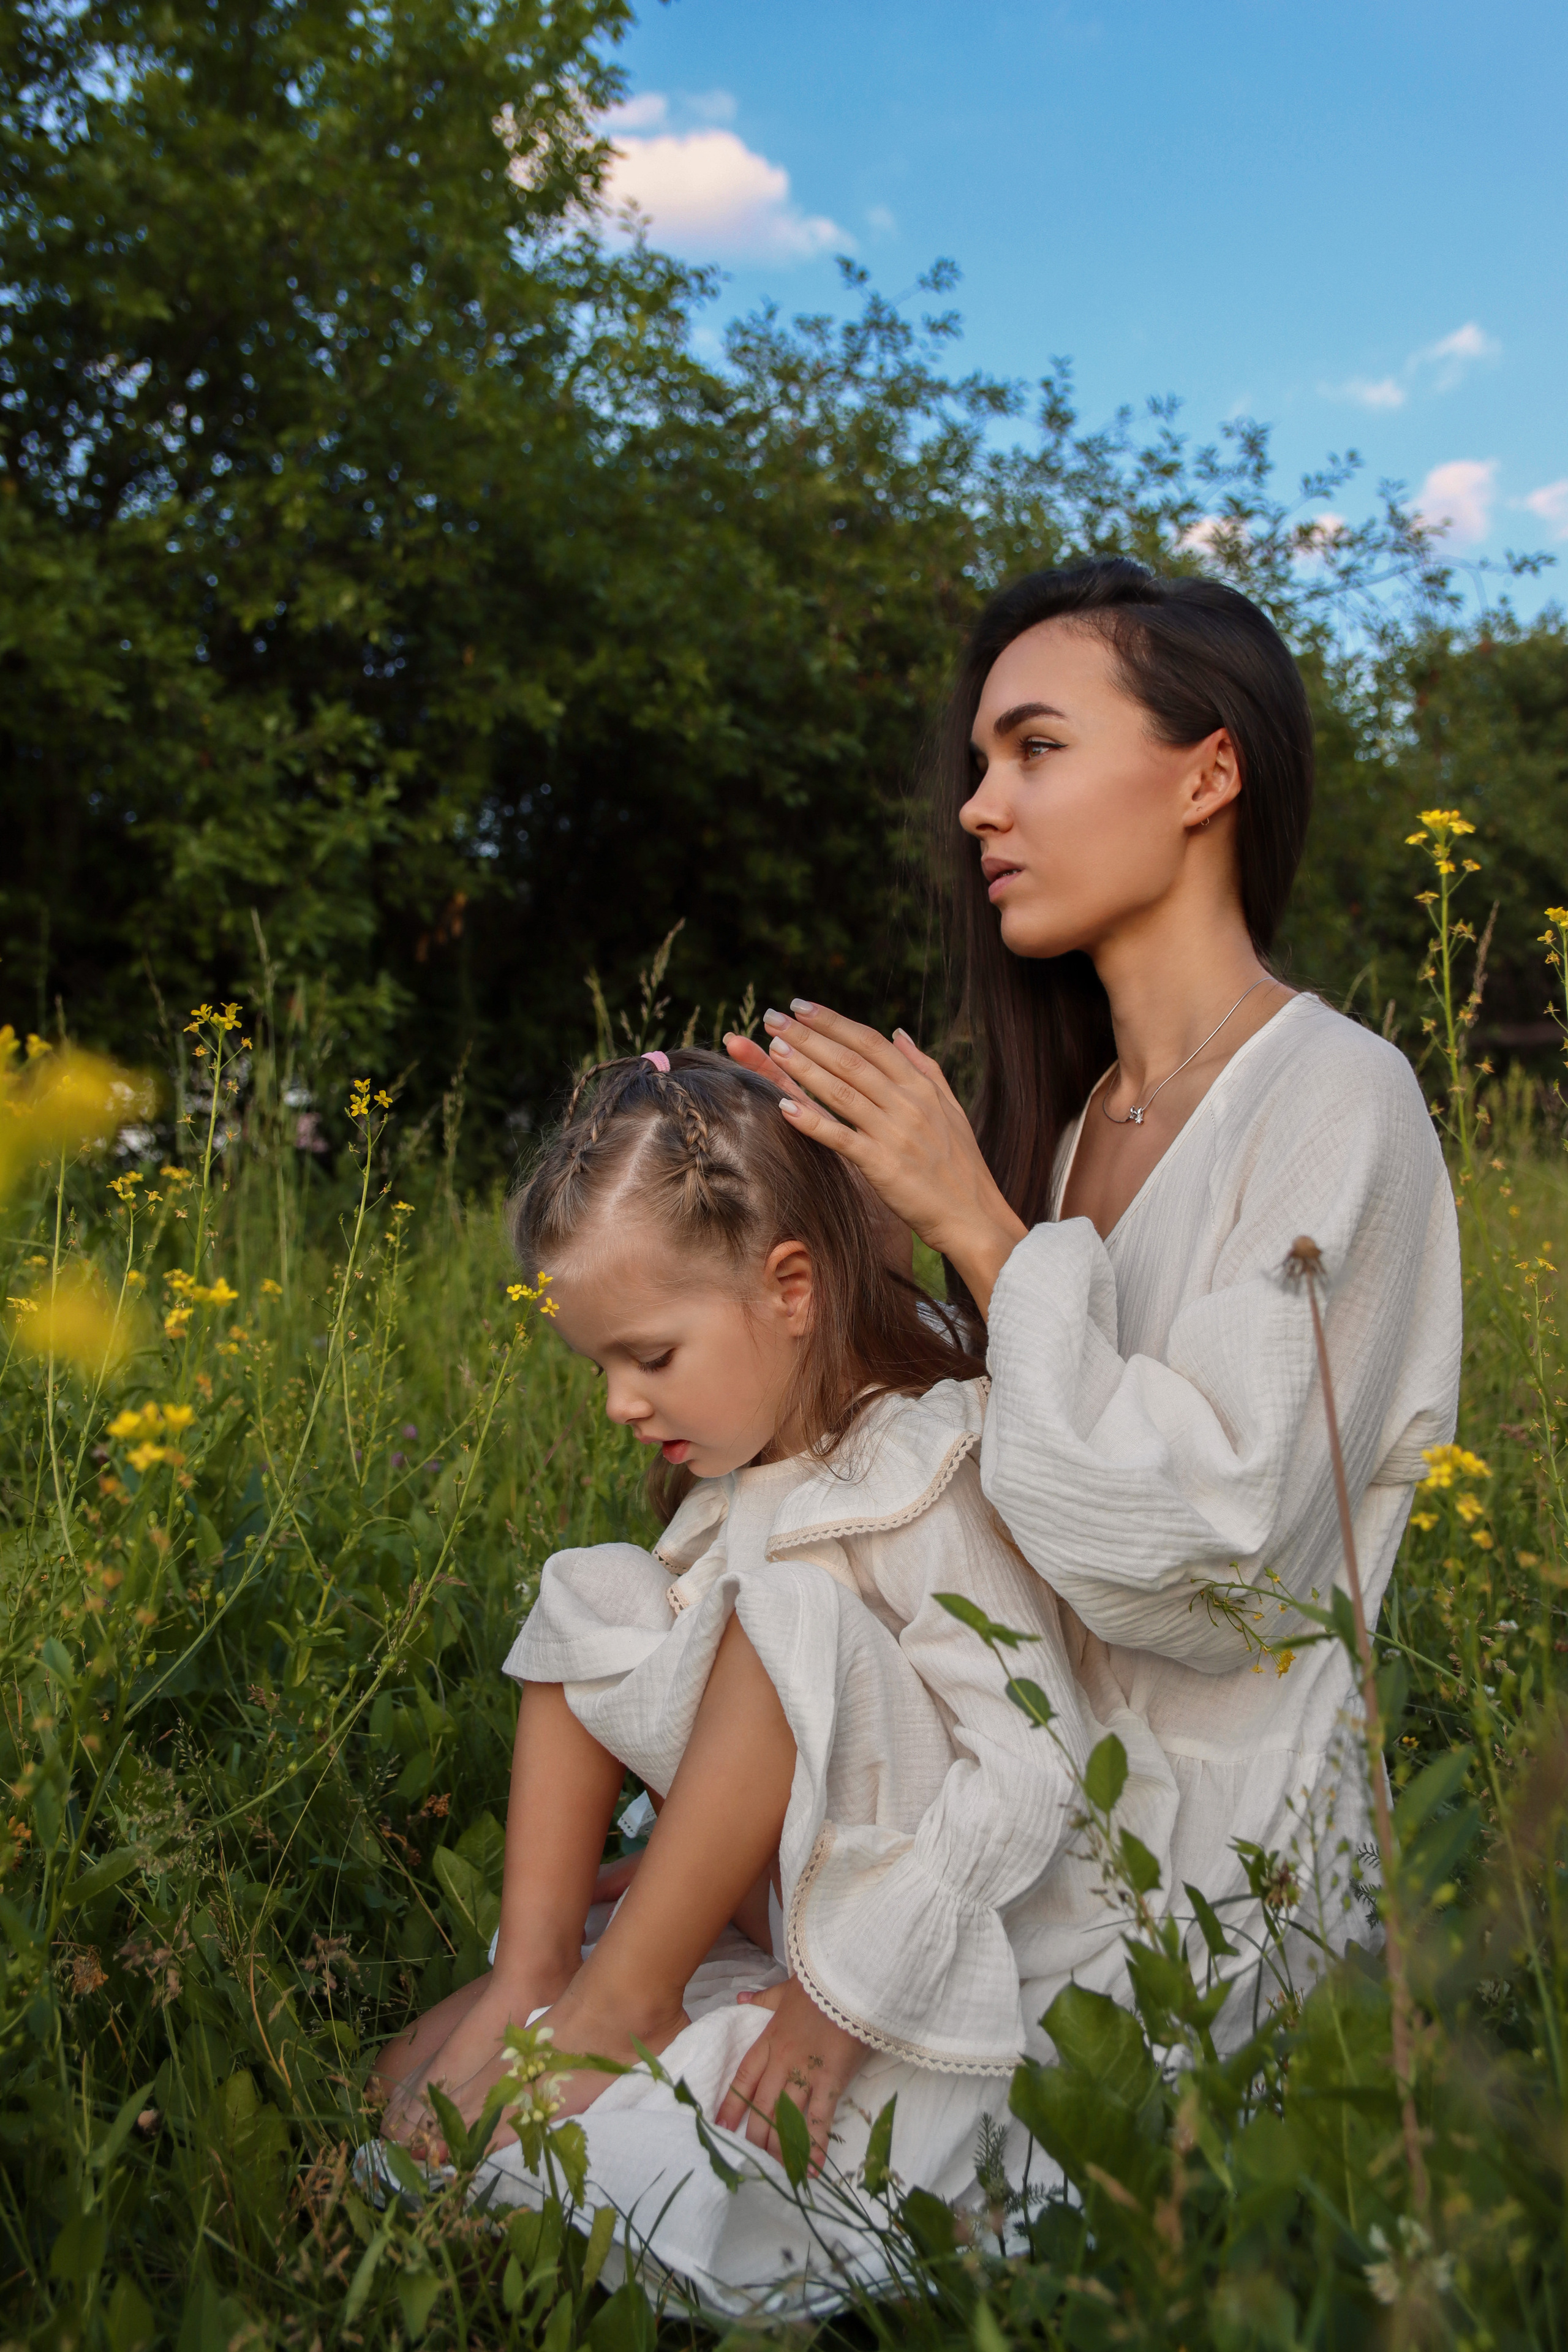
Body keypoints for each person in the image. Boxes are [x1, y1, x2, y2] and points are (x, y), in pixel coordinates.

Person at [725, 556, 1463, 1992]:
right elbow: (985, 1511)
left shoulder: (1336, 1097)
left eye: (1035, 750)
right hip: (1011, 1794)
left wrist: (981, 1231)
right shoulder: (1067, 1127)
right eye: (976, 763)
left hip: (1198, 1886)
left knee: (630, 2137)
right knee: (529, 2025)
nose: (976, 807)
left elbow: (1219, 1562)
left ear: (1205, 778)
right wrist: (844, 1260)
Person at [371, 1049, 1165, 2310]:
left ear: (787, 1287)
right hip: (779, 1894)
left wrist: (841, 2001)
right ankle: (543, 1971)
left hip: (886, 1937)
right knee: (597, 1588)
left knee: (783, 1613)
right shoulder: (738, 1490)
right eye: (602, 1373)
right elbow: (722, 1729)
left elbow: (1034, 1763)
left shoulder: (917, 1472)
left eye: (649, 1356)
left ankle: (618, 2003)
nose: (624, 1405)